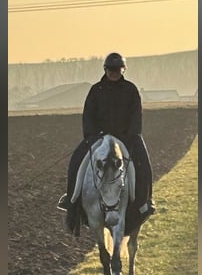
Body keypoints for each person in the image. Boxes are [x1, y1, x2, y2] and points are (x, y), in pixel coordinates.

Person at [57, 52, 155, 233]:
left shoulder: (130, 89)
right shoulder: (96, 90)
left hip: (127, 137)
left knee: (144, 162)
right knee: (77, 160)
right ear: (105, 70)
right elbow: (88, 115)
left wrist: (131, 135)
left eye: (117, 70)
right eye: (110, 70)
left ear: (122, 70)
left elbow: (136, 116)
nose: (113, 73)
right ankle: (71, 199)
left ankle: (145, 202)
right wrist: (92, 135)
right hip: (99, 137)